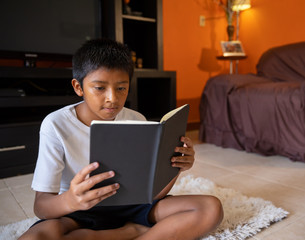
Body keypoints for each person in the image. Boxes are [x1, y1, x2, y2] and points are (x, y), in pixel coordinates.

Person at [19, 39, 223, 240]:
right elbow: (41, 206)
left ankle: (117, 234)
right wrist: (72, 201)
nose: (112, 98)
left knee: (210, 208)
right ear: (78, 87)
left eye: (121, 88)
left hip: (133, 208)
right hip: (79, 211)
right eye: (99, 88)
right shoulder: (55, 124)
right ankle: (129, 232)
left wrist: (175, 167)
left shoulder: (136, 120)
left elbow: (152, 195)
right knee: (36, 237)